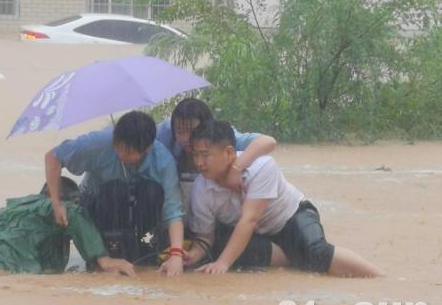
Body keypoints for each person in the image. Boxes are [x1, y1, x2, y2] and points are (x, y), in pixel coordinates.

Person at [185, 120, 384, 277]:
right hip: (256, 236)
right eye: (195, 156)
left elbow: (250, 219)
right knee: (220, 246)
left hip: (291, 217)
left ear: (229, 152)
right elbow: (205, 237)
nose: (199, 163)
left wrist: (223, 264)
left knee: (317, 253)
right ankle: (294, 256)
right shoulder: (201, 188)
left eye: (205, 155)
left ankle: (379, 277)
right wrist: (187, 256)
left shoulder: (261, 166)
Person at [45, 111, 185, 276]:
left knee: (152, 192)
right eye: (118, 148)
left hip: (140, 215)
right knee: (113, 190)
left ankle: (144, 249)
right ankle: (102, 255)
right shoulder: (100, 142)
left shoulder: (164, 161)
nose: (121, 155)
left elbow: (173, 212)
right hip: (98, 204)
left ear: (147, 148)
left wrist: (176, 255)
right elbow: (53, 157)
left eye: (128, 151)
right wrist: (56, 203)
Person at [0, 177, 136, 276]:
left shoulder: (22, 206)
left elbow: (50, 265)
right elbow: (74, 213)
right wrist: (103, 259)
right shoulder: (56, 208)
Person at [156, 98, 277, 218]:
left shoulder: (220, 135)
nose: (186, 138)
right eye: (179, 132)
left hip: (214, 210)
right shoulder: (165, 132)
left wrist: (236, 168)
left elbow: (268, 142)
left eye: (192, 131)